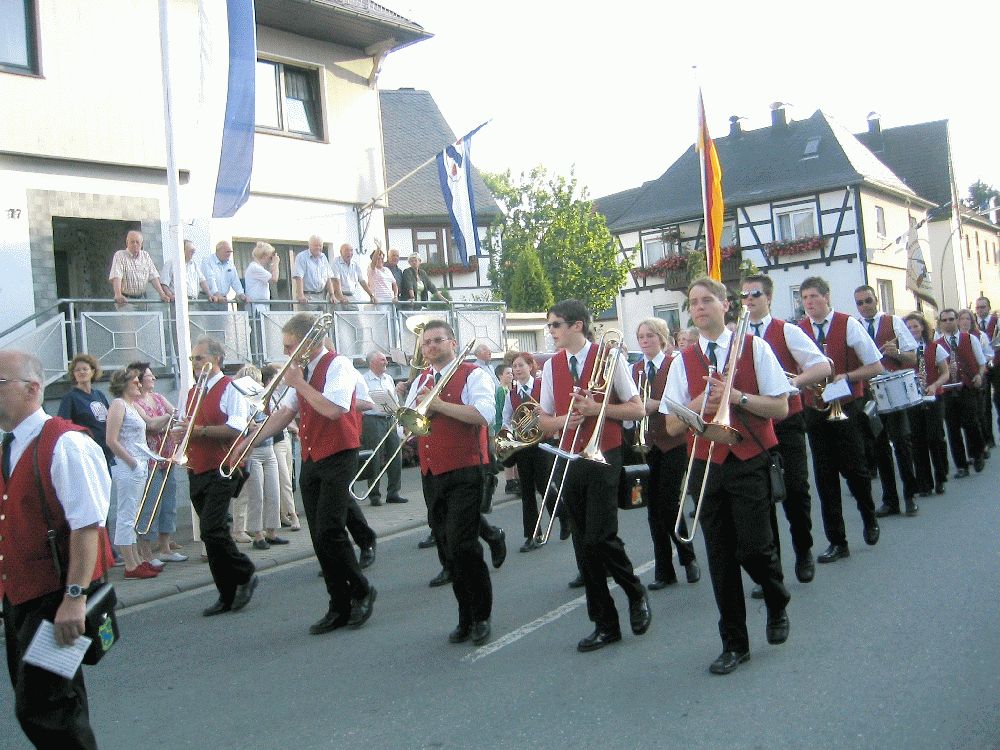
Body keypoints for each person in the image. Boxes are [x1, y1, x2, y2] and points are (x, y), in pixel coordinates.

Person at [660, 277, 792, 675]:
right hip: (706, 463)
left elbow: (782, 408)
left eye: (706, 301)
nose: (698, 308)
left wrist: (736, 398)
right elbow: (669, 426)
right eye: (693, 302)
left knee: (754, 547)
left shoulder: (755, 347)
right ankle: (734, 643)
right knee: (719, 556)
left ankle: (776, 598)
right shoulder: (682, 361)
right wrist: (702, 400)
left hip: (748, 457)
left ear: (725, 305)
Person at [0, 349, 111, 749]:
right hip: (22, 599)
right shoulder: (9, 446)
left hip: (53, 599)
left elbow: (87, 527)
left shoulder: (65, 444)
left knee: (46, 707)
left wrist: (75, 598)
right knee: (51, 702)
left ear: (32, 388)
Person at [240, 314, 376, 634]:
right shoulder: (299, 373)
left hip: (339, 453)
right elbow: (285, 413)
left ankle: (361, 590)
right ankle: (338, 603)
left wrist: (299, 384)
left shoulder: (337, 364)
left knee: (330, 529)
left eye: (290, 346)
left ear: (308, 343)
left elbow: (335, 409)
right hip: (313, 456)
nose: (286, 353)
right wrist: (248, 442)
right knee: (318, 536)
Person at [536, 300, 650, 653]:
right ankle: (604, 624)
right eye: (550, 326)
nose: (551, 331)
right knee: (584, 545)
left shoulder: (610, 357)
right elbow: (543, 419)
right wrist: (560, 422)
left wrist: (597, 408)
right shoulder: (551, 366)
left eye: (556, 325)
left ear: (577, 326)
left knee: (601, 535)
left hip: (605, 452)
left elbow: (638, 408)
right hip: (570, 455)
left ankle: (634, 591)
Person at [406, 320, 496, 645]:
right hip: (432, 472)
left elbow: (485, 414)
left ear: (452, 343)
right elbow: (418, 423)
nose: (430, 347)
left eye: (437, 340)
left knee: (464, 546)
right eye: (426, 342)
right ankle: (465, 616)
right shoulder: (422, 379)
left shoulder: (473, 374)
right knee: (448, 549)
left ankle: (481, 615)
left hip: (464, 469)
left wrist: (440, 404)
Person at [741, 276, 830, 595]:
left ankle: (803, 550)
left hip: (787, 422)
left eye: (755, 294)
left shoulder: (786, 330)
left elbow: (823, 366)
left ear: (768, 298)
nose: (748, 300)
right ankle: (771, 571)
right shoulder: (735, 336)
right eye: (744, 295)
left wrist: (792, 384)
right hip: (752, 426)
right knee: (759, 501)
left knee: (794, 491)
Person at [797, 276, 884, 564]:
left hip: (846, 405)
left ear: (826, 296)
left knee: (856, 470)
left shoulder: (848, 324)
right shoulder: (799, 329)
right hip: (816, 408)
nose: (809, 303)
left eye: (813, 297)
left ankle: (869, 516)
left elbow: (875, 365)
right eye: (805, 298)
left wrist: (847, 376)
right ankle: (838, 541)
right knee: (824, 476)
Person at [182, 336, 258, 616]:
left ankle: (245, 571)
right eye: (193, 359)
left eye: (199, 358)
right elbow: (187, 422)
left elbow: (237, 427)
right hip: (197, 467)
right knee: (213, 534)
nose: (194, 363)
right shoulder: (193, 391)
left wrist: (198, 431)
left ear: (215, 360)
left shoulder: (230, 388)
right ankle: (227, 592)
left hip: (223, 466)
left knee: (211, 529)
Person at [630, 319, 701, 588]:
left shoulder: (675, 363)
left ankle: (688, 558)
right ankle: (664, 569)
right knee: (652, 510)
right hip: (647, 444)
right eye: (641, 336)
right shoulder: (635, 368)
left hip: (675, 442)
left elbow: (685, 399)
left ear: (661, 338)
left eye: (650, 336)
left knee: (669, 504)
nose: (645, 341)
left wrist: (655, 404)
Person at [853, 285, 920, 517]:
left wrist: (896, 353)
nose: (864, 306)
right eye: (859, 303)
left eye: (867, 301)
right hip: (869, 395)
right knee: (879, 448)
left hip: (893, 391)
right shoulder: (856, 326)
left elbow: (913, 358)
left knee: (902, 444)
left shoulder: (893, 322)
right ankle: (890, 500)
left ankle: (910, 496)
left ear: (876, 300)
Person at [106, 367, 176, 579]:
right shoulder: (118, 405)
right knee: (126, 514)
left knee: (134, 514)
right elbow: (111, 440)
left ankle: (137, 560)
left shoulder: (132, 406)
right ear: (124, 384)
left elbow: (151, 424)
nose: (139, 384)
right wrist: (132, 462)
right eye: (135, 382)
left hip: (141, 464)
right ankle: (130, 564)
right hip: (129, 467)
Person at [503, 353, 565, 552]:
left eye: (521, 365)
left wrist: (545, 411)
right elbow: (507, 419)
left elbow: (556, 411)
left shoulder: (541, 387)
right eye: (514, 366)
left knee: (545, 487)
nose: (517, 369)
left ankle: (564, 516)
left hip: (542, 444)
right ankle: (532, 535)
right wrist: (510, 434)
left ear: (531, 366)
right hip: (523, 446)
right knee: (527, 491)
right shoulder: (511, 393)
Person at [129, 361, 187, 563]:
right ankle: (146, 552)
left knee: (168, 503)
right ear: (138, 379)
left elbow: (178, 417)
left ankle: (165, 547)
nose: (153, 378)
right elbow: (151, 425)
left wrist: (166, 421)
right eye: (149, 376)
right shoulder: (134, 404)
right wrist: (166, 418)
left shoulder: (159, 398)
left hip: (167, 457)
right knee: (150, 504)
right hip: (150, 460)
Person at [935, 308, 987, 477]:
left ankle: (977, 453)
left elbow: (981, 362)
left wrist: (979, 375)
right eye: (945, 320)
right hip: (948, 390)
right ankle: (961, 466)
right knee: (953, 428)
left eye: (951, 319)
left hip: (967, 387)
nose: (948, 322)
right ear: (940, 323)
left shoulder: (970, 339)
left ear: (957, 320)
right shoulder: (936, 344)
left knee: (971, 423)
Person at [904, 313, 950, 496]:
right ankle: (924, 483)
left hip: (933, 396)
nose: (912, 330)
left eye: (915, 326)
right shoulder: (905, 351)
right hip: (913, 399)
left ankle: (940, 478)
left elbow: (945, 373)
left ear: (922, 327)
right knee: (917, 440)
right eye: (908, 328)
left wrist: (934, 385)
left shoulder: (934, 347)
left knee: (935, 437)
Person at [360, 351, 408, 506]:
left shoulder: (388, 378)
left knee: (395, 454)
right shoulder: (363, 380)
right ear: (372, 362)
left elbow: (394, 400)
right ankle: (374, 494)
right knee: (374, 457)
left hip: (390, 419)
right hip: (372, 420)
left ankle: (394, 492)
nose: (386, 362)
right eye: (382, 360)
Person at [58, 354, 114, 470]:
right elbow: (63, 427)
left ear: (93, 371)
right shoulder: (70, 398)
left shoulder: (99, 395)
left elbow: (110, 421)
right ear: (73, 374)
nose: (81, 372)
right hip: (86, 454)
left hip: (105, 453)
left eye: (85, 369)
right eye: (77, 370)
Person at [261, 364, 300, 531]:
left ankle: (283, 513)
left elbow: (286, 414)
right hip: (275, 441)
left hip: (285, 438)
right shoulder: (267, 396)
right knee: (284, 480)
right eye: (277, 377)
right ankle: (293, 515)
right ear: (270, 380)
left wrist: (293, 428)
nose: (282, 379)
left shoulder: (279, 394)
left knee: (288, 477)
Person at [958, 309, 994, 456]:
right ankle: (974, 448)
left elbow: (989, 354)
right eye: (962, 318)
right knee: (968, 416)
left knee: (980, 412)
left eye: (967, 319)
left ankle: (984, 442)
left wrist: (978, 361)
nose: (964, 321)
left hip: (978, 376)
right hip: (960, 380)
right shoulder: (949, 338)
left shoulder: (979, 336)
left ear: (972, 321)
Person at [108, 229, 173, 307]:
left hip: (142, 299)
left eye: (137, 242)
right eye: (132, 242)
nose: (135, 244)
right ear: (127, 242)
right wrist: (118, 294)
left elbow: (153, 276)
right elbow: (116, 276)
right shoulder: (120, 255)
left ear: (141, 244)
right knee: (128, 319)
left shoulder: (145, 256)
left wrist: (162, 294)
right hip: (125, 300)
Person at [974, 296, 999, 445]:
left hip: (997, 365)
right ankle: (989, 439)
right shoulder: (973, 323)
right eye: (978, 307)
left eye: (983, 307)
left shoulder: (997, 321)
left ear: (989, 308)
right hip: (982, 366)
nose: (980, 310)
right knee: (985, 403)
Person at [292, 235, 339, 309]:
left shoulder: (323, 257)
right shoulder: (301, 257)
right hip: (308, 296)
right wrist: (301, 295)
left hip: (322, 296)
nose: (318, 248)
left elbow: (328, 278)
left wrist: (332, 295)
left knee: (323, 319)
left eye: (320, 245)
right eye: (315, 245)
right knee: (309, 320)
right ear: (309, 245)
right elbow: (299, 277)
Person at [201, 240, 247, 309]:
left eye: (231, 252)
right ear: (218, 251)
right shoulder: (207, 261)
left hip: (223, 299)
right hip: (209, 298)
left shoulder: (230, 264)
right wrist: (217, 294)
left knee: (223, 320)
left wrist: (241, 294)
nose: (229, 254)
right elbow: (210, 279)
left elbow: (235, 281)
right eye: (227, 252)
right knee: (210, 319)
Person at [332, 243, 374, 309]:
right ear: (341, 252)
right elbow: (336, 280)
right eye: (346, 250)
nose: (349, 253)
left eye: (351, 250)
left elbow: (362, 281)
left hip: (351, 296)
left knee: (355, 317)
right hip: (338, 295)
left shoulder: (355, 264)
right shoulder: (336, 262)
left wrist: (371, 295)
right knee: (338, 317)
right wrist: (341, 296)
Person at [244, 241, 280, 315]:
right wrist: (276, 263)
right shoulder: (255, 267)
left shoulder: (257, 267)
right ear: (264, 256)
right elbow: (274, 279)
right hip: (257, 306)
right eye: (270, 257)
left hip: (261, 305)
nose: (271, 259)